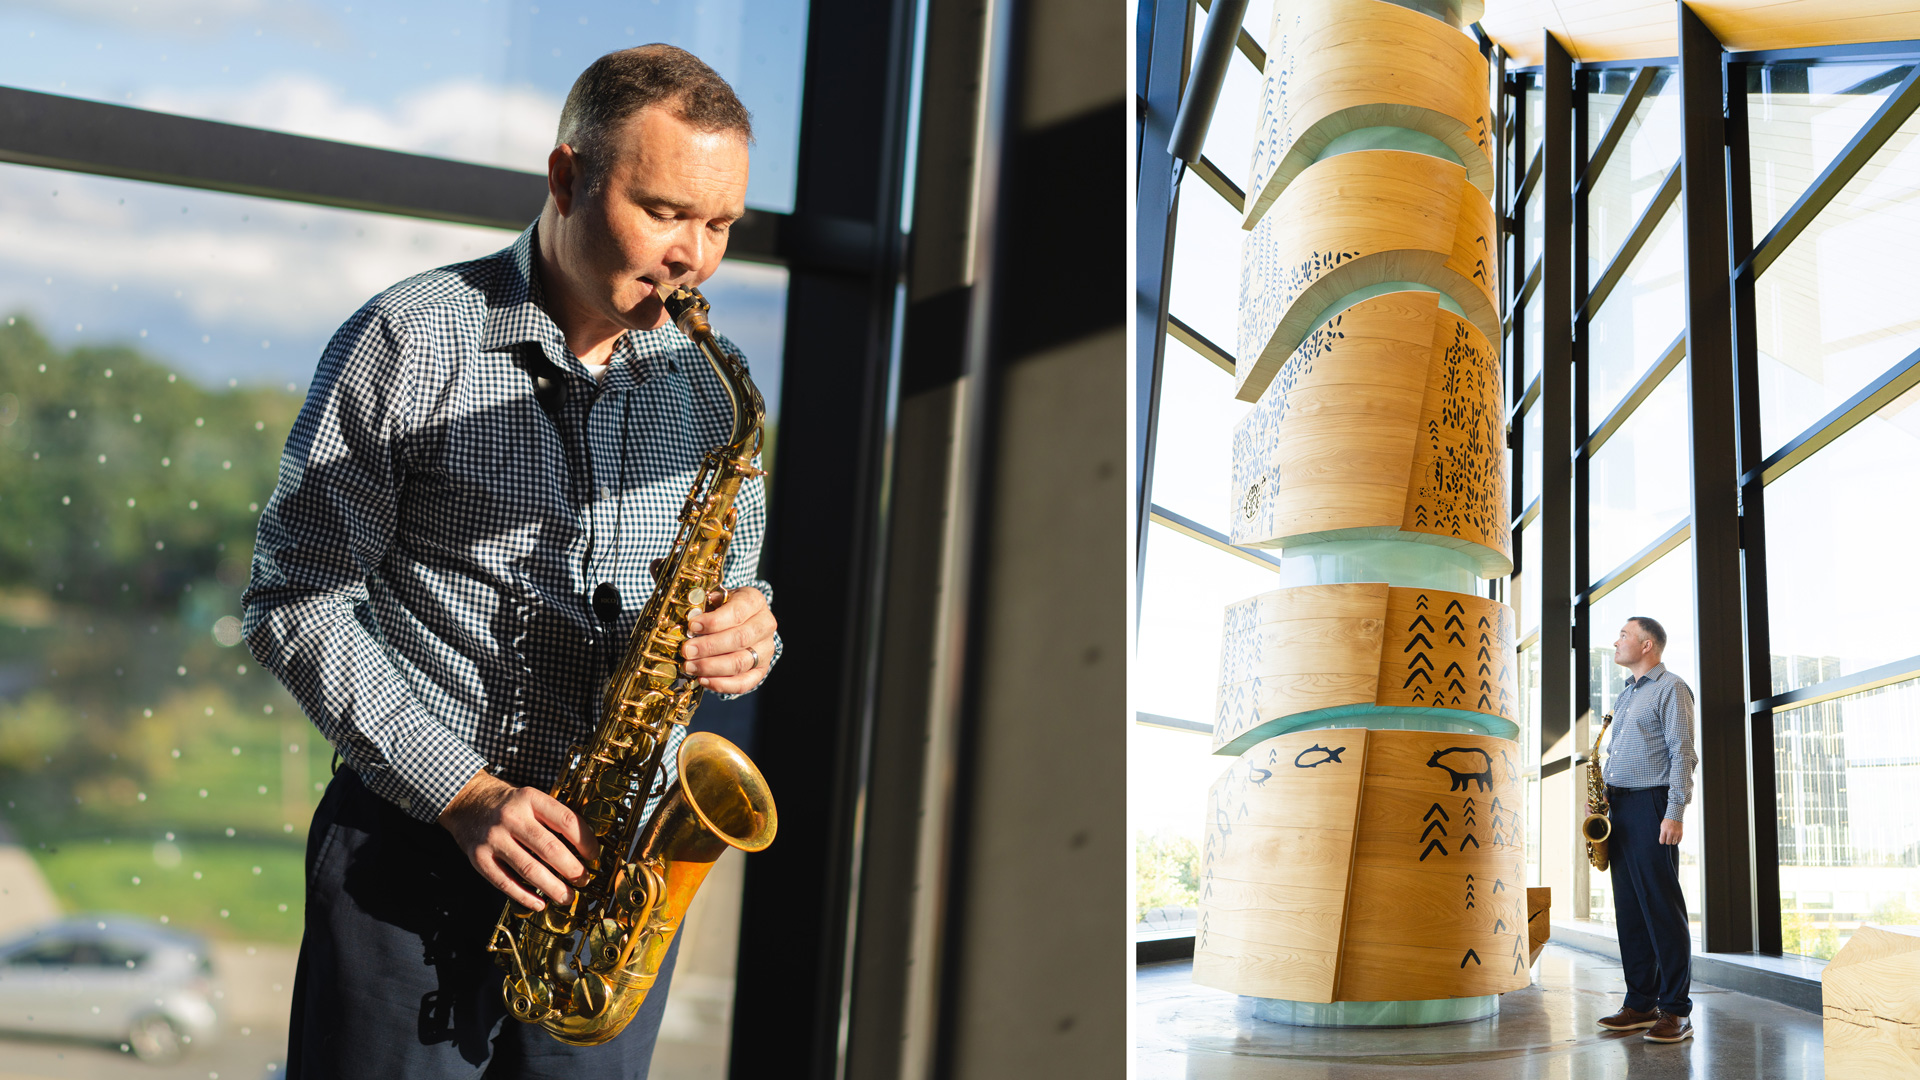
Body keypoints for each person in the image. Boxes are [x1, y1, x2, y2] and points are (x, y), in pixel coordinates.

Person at [242, 45, 780, 1079]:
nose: (694, 259)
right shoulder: (409, 337)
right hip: (410, 860)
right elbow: (294, 599)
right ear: (568, 178)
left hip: (613, 887)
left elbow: (735, 585)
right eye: (666, 211)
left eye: (720, 227)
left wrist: (752, 629)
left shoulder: (717, 391)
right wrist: (464, 792)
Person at [1593, 616, 1698, 1044]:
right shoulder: (1628, 692)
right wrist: (1600, 796)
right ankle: (1640, 1003)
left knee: (1661, 910)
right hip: (1618, 806)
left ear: (1647, 644)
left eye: (1623, 635)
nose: (1616, 641)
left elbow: (1683, 754)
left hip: (1652, 807)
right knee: (1631, 911)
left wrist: (1674, 812)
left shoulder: (1670, 687)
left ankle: (1676, 1011)